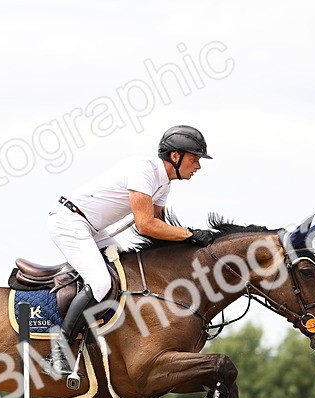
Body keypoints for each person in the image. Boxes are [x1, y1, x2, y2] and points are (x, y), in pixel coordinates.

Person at [44, 124, 216, 380]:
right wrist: (189, 234)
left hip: (93, 228)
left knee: (127, 271)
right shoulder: (144, 170)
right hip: (70, 222)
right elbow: (146, 225)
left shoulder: (164, 184)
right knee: (101, 282)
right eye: (194, 159)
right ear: (175, 156)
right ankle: (58, 352)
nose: (198, 166)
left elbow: (159, 228)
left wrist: (190, 242)